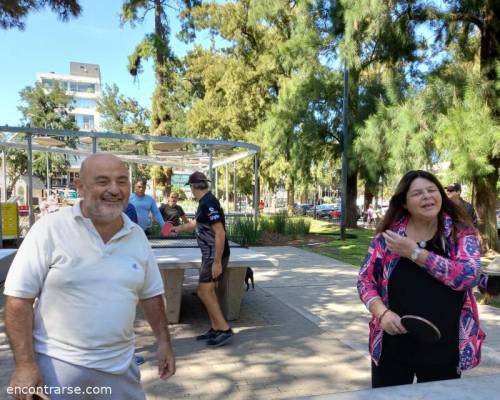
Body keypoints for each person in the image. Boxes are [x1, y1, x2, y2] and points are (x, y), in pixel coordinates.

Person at [4, 154, 175, 400]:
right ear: (80, 187)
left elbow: (151, 296)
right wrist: (24, 365)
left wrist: (164, 343)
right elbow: (18, 300)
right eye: (102, 181)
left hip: (121, 369)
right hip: (58, 370)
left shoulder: (137, 236)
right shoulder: (49, 230)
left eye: (122, 181)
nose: (114, 190)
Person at [357, 170, 485, 388]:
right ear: (405, 203)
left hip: (444, 345)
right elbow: (364, 281)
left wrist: (416, 253)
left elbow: (469, 276)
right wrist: (382, 313)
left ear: (441, 196)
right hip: (392, 344)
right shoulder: (387, 238)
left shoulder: (459, 233)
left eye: (432, 190)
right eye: (417, 193)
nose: (427, 196)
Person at [171, 171, 234, 347]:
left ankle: (224, 329)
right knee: (208, 291)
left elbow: (220, 232)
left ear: (192, 187)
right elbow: (196, 224)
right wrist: (178, 229)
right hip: (210, 254)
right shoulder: (205, 202)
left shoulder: (208, 203)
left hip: (214, 254)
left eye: (190, 188)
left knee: (203, 291)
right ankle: (216, 328)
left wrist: (216, 261)